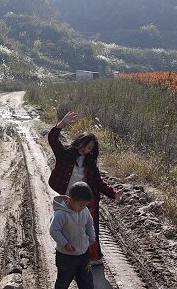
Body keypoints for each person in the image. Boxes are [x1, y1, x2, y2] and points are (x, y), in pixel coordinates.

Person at [48, 111, 123, 265]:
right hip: (69, 200)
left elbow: (98, 182)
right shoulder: (65, 154)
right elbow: (53, 139)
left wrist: (113, 194)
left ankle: (93, 258)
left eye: (90, 148)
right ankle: (68, 252)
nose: (86, 150)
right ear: (79, 141)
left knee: (90, 228)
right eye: (85, 146)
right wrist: (62, 124)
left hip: (88, 201)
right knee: (67, 227)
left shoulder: (90, 163)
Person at [49, 181, 100, 289]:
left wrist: (92, 237)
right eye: (81, 205)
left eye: (85, 205)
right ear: (71, 200)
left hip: (83, 251)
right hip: (66, 254)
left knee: (86, 276)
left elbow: (89, 224)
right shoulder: (61, 214)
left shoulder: (84, 211)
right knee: (65, 275)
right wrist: (65, 243)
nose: (83, 207)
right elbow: (54, 230)